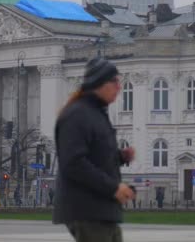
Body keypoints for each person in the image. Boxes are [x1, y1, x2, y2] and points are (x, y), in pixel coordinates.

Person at [53, 57, 136, 242]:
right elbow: (74, 163)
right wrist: (113, 188)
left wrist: (121, 157)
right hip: (87, 209)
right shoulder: (77, 114)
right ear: (99, 83)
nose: (119, 87)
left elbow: (96, 154)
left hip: (101, 210)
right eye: (114, 81)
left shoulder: (95, 113)